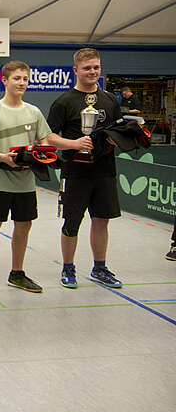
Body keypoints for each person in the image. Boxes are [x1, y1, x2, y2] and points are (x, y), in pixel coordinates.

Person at [0, 61, 92, 296]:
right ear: (4, 80)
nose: (22, 83)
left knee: (23, 226)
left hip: (26, 184)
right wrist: (3, 158)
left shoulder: (34, 112)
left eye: (25, 79)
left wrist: (40, 155)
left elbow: (44, 140)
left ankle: (17, 273)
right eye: (17, 78)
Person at [47, 47, 123, 288]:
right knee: (72, 222)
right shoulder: (64, 102)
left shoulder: (110, 100)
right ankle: (68, 268)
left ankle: (99, 268)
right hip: (75, 172)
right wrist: (74, 143)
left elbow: (119, 129)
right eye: (87, 68)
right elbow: (48, 137)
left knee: (101, 221)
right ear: (76, 70)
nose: (92, 71)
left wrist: (117, 139)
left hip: (105, 171)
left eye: (96, 67)